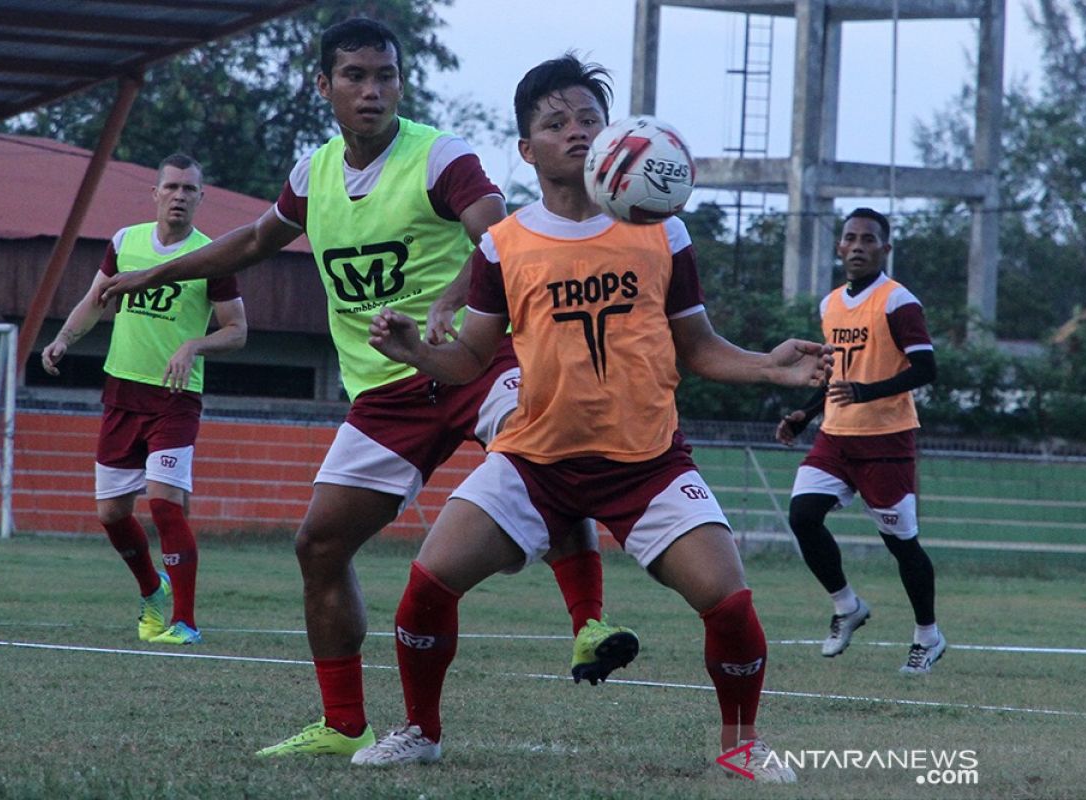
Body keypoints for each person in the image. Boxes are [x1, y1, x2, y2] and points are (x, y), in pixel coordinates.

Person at [99, 18, 631, 758]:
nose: (372, 90)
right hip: (384, 395)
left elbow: (498, 233)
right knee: (318, 545)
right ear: (324, 86)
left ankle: (588, 627)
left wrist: (451, 297)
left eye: (385, 75)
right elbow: (254, 242)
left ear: (401, 84)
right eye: (354, 76)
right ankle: (344, 723)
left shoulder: (439, 156)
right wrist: (155, 272)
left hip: (476, 362)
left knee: (538, 451)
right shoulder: (311, 175)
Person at [351, 54, 832, 783]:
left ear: (612, 135)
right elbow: (472, 359)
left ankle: (740, 744)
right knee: (426, 586)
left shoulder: (662, 231)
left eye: (588, 118)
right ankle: (420, 731)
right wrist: (414, 348)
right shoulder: (502, 244)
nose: (575, 132)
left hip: (646, 461)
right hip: (531, 460)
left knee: (729, 601)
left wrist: (770, 365)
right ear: (526, 149)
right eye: (555, 122)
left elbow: (697, 348)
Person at [42, 153, 247, 646]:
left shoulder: (212, 256)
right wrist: (64, 338)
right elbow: (96, 299)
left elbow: (238, 330)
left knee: (165, 504)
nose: (179, 196)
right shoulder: (125, 242)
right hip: (121, 394)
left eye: (189, 189)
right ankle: (152, 592)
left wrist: (195, 344)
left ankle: (186, 621)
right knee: (112, 515)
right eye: (171, 187)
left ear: (201, 198)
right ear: (155, 193)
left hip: (175, 400)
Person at [775, 207, 945, 675]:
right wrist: (805, 415)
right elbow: (836, 374)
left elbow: (926, 369)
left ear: (885, 249)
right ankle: (847, 605)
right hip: (835, 437)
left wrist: (868, 392)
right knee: (803, 515)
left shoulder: (898, 302)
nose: (857, 246)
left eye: (868, 239)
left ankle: (928, 636)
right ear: (838, 247)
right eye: (850, 238)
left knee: (901, 545)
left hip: (886, 441)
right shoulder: (830, 305)